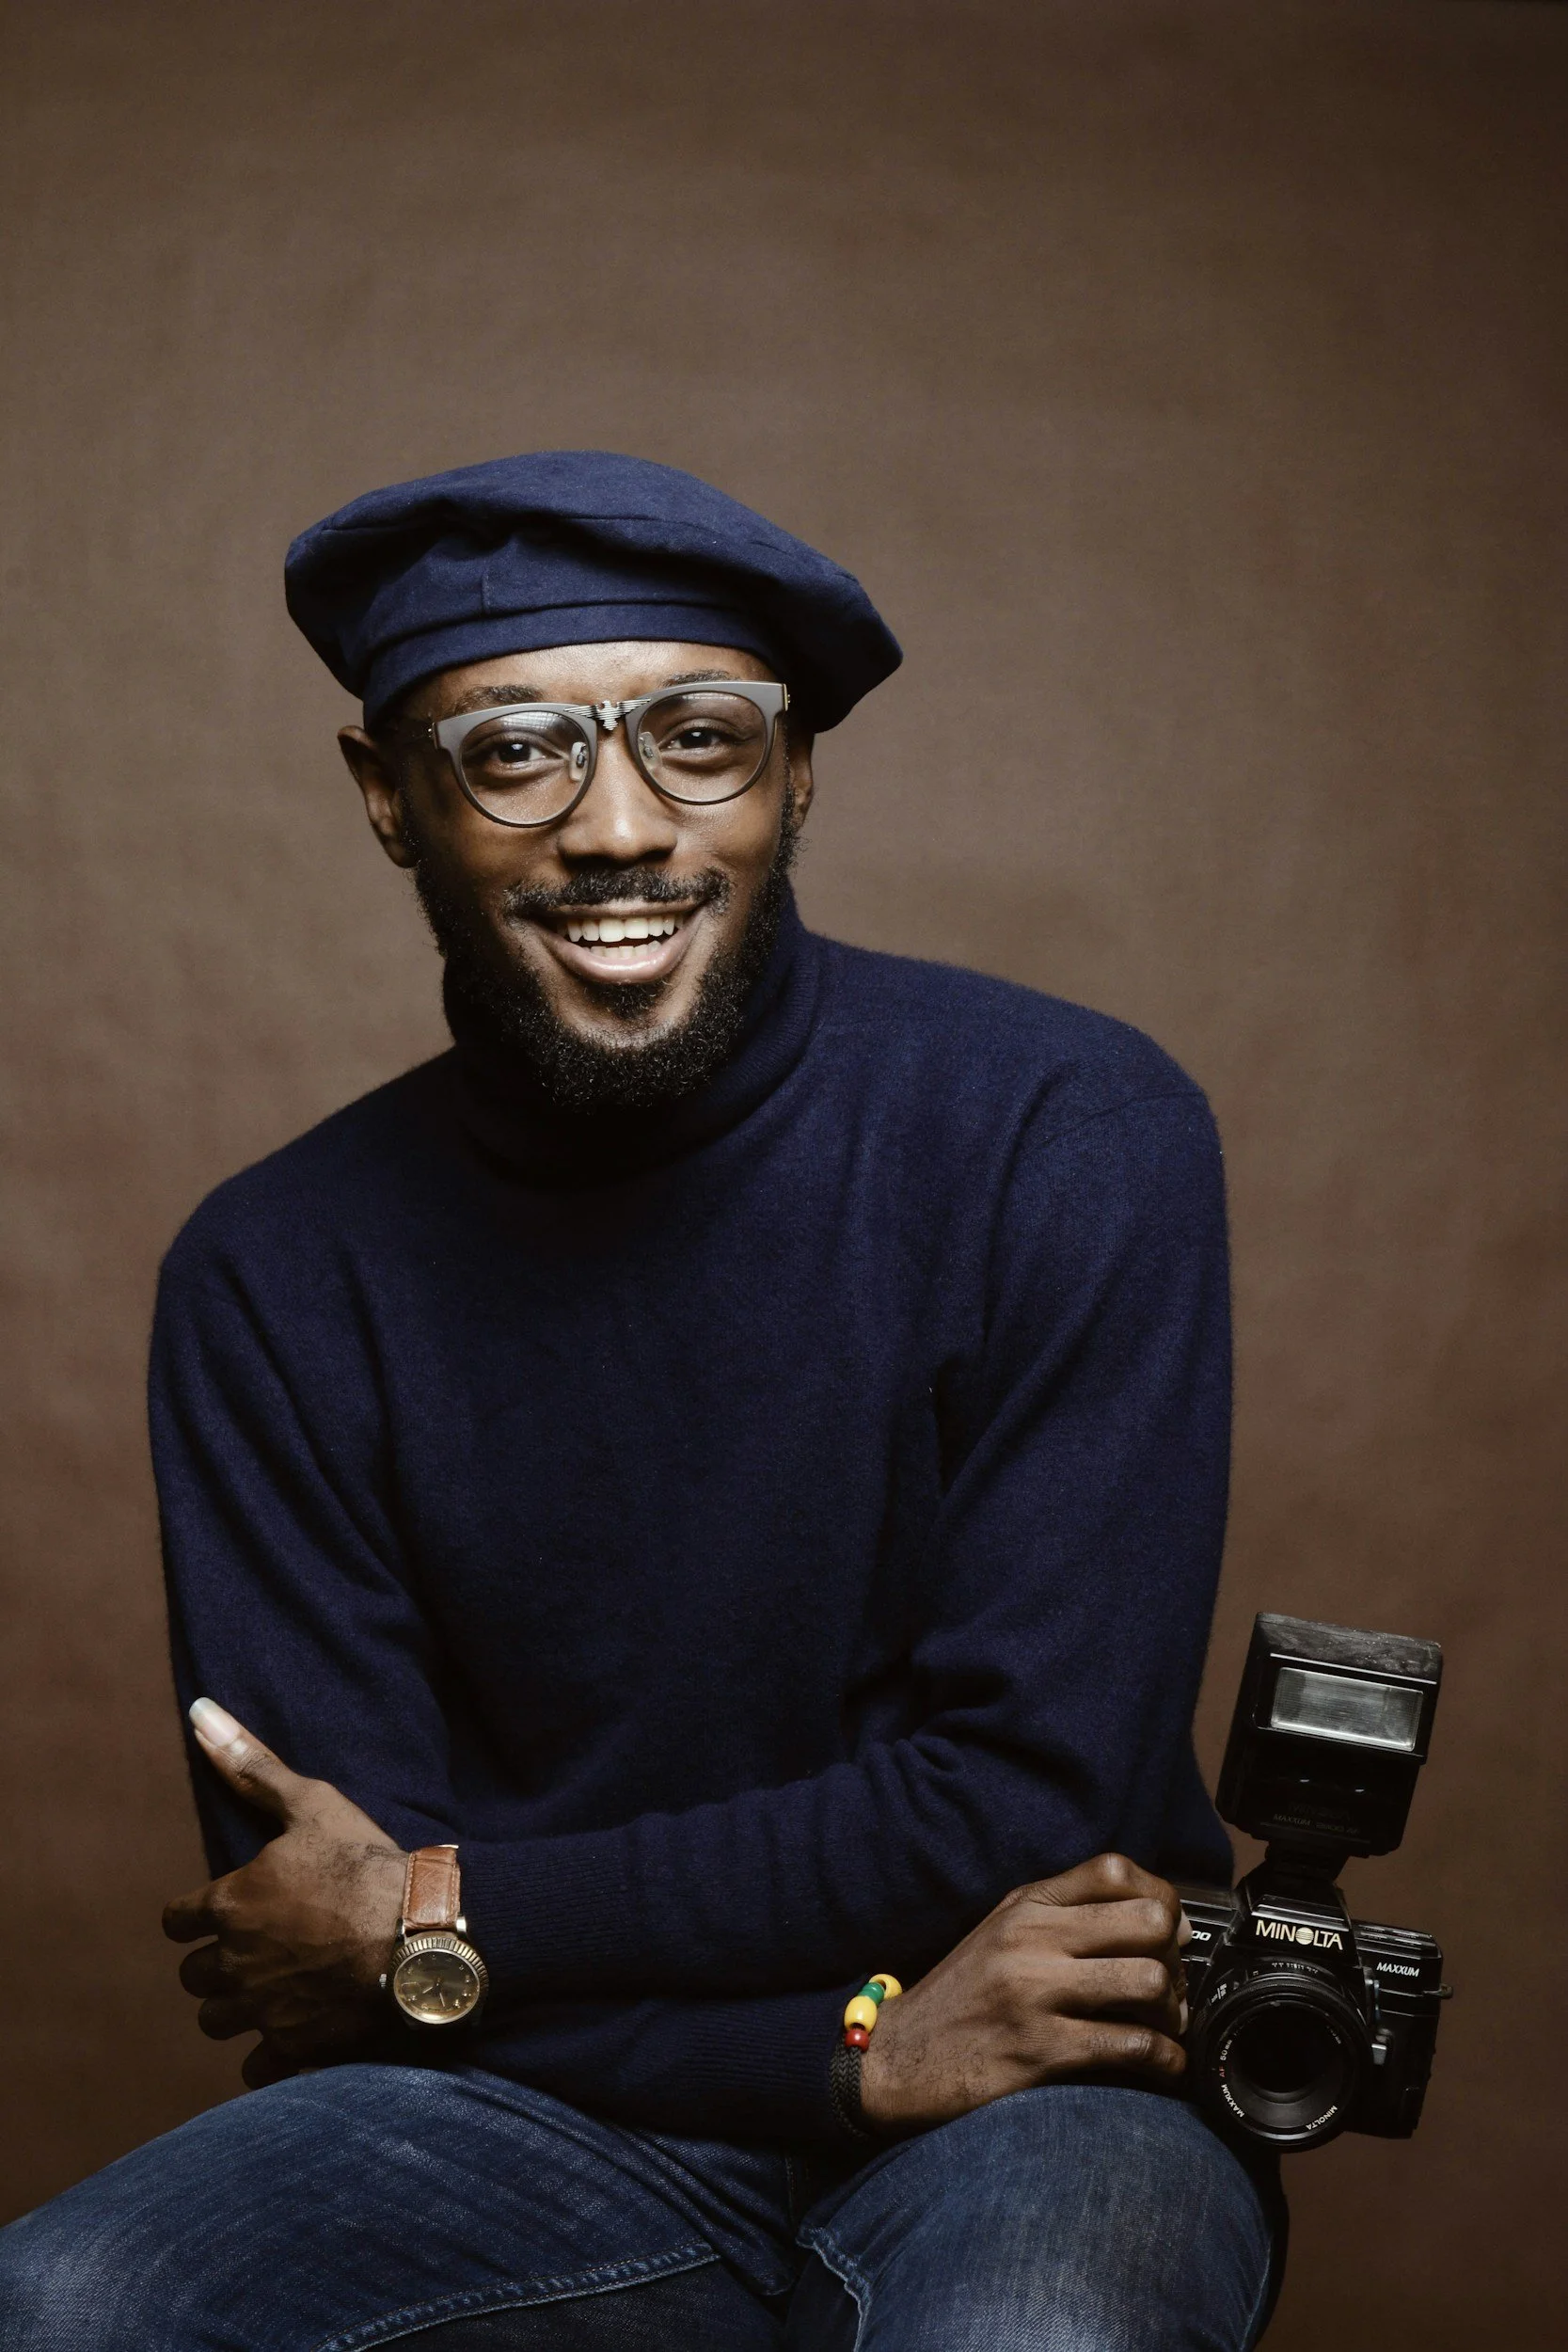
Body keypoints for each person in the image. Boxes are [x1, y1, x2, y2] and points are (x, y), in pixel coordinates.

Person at [0, 453, 1279, 2349]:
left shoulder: (1063, 1136)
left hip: (1042, 2074)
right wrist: (843, 2047)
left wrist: (441, 1904)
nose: (619, 824)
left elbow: (1024, 1800)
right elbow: (323, 1940)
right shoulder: (272, 1272)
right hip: (530, 2107)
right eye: (513, 747)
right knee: (69, 2293)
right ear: (386, 798)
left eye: (701, 736)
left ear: (796, 775)